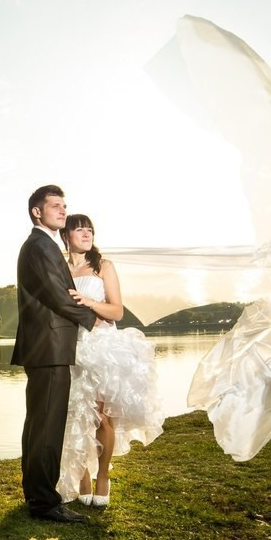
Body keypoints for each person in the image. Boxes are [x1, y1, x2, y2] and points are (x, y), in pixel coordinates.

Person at [58, 213, 165, 507]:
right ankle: (81, 478)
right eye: (79, 229)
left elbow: (117, 312)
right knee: (76, 416)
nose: (86, 233)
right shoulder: (60, 268)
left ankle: (103, 475)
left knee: (103, 416)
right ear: (66, 235)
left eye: (89, 229)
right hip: (72, 348)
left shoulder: (103, 266)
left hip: (104, 347)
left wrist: (91, 302)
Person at [12, 186, 97, 523]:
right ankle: (45, 504)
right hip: (49, 346)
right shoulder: (40, 246)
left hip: (47, 346)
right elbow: (59, 297)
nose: (63, 212)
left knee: (39, 425)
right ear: (37, 212)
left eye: (65, 206)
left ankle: (36, 494)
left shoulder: (42, 245)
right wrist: (95, 318)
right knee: (46, 426)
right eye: (56, 206)